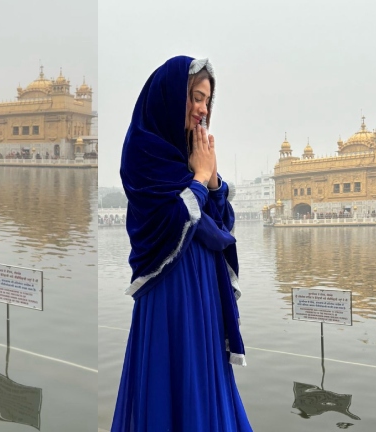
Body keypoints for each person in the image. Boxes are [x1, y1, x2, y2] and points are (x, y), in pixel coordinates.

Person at [112, 56, 251, 431]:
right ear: (170, 97)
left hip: (204, 289)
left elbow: (220, 225)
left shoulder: (190, 154)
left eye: (206, 100)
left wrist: (213, 182)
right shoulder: (145, 152)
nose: (201, 108)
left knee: (203, 377)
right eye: (193, 96)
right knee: (171, 378)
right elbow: (165, 223)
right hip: (169, 289)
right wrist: (200, 176)